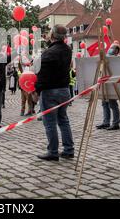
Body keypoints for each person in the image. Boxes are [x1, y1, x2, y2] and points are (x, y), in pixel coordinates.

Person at [35, 25, 74, 161]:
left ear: (52, 36)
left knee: (50, 122)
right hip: (64, 89)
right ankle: (69, 149)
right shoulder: (68, 50)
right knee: (63, 120)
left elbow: (41, 74)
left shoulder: (48, 52)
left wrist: (37, 90)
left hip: (50, 91)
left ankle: (53, 151)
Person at [96, 44, 120, 131]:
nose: (111, 49)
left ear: (117, 51)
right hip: (104, 83)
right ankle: (106, 122)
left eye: (113, 48)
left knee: (113, 104)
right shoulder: (106, 57)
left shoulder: (117, 59)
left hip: (112, 83)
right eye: (111, 48)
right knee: (104, 104)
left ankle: (115, 123)